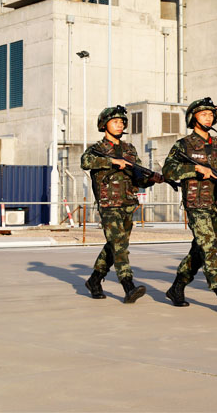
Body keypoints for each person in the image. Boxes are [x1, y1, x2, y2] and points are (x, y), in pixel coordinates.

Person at [162, 97, 217, 312]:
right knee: (209, 246)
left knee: (200, 249)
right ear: (193, 118)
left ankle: (177, 288)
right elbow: (168, 171)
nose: (208, 117)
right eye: (203, 114)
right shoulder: (183, 145)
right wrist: (195, 170)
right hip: (196, 203)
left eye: (211, 114)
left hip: (215, 204)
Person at [82, 105, 163, 303]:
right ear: (104, 125)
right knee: (119, 245)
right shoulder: (97, 149)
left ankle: (94, 280)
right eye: (115, 121)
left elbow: (137, 179)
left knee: (115, 245)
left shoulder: (129, 149)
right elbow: (86, 162)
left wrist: (151, 179)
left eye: (122, 122)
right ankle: (128, 285)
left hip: (128, 203)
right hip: (108, 204)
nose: (119, 125)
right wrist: (112, 162)